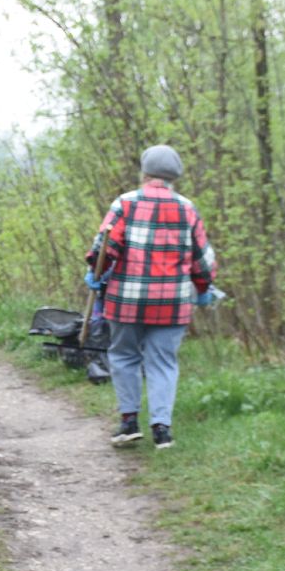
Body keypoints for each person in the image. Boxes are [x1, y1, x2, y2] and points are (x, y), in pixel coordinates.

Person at [85, 144, 216, 450]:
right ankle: (162, 429)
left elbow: (106, 246)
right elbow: (202, 260)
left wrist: (96, 270)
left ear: (144, 172)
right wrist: (203, 286)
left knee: (124, 356)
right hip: (172, 303)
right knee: (163, 362)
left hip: (126, 300)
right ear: (175, 176)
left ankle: (129, 423)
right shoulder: (187, 208)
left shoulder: (125, 204)